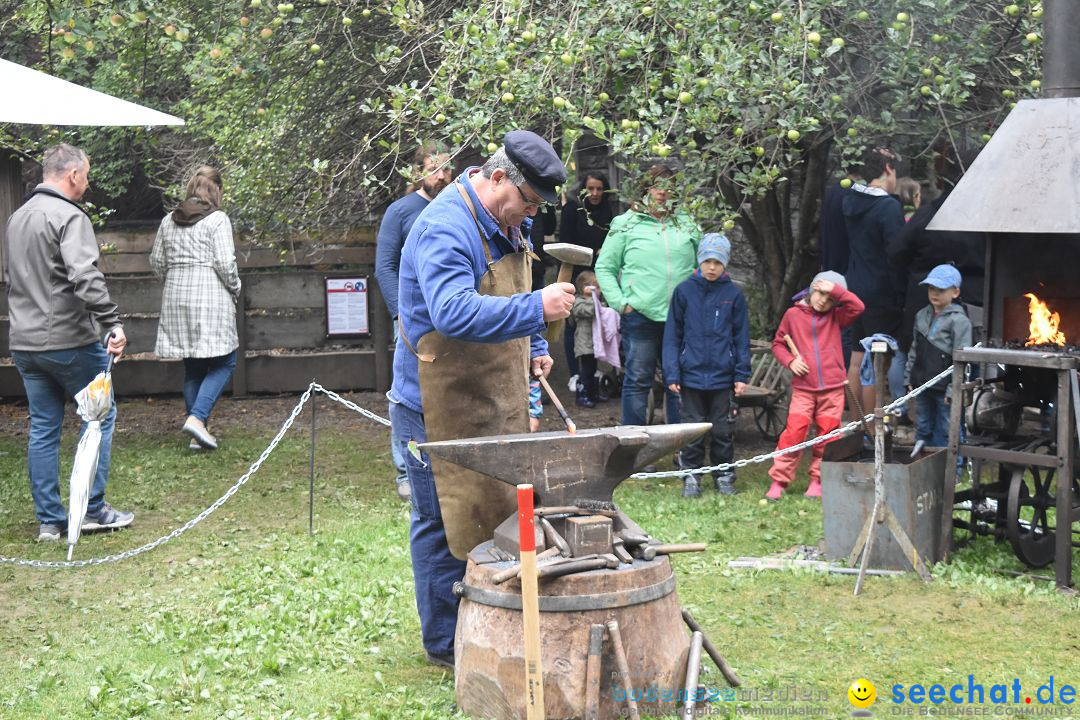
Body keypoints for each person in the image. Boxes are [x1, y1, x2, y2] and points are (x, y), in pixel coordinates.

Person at [388, 130, 572, 668]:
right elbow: (453, 313)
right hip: (433, 399)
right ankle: (447, 645)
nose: (531, 214)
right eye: (529, 202)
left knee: (492, 511)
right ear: (497, 180)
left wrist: (535, 344)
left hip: (492, 391)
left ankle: (492, 620)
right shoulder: (445, 228)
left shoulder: (508, 219)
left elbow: (516, 287)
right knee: (442, 519)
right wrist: (539, 308)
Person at [4, 144, 132, 541]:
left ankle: (49, 521)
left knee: (43, 427)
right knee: (99, 415)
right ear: (73, 174)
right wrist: (111, 322)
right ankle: (92, 509)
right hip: (67, 339)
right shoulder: (69, 216)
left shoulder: (16, 219)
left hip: (24, 342)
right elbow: (85, 276)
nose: (88, 183)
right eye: (87, 175)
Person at [374, 142, 452, 502]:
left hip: (448, 321)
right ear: (418, 171)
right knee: (406, 397)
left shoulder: (456, 210)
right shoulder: (401, 211)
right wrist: (399, 314)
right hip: (410, 322)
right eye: (434, 168)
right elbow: (385, 267)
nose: (442, 175)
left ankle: (445, 463)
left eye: (447, 168)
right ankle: (405, 471)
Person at [595, 164, 701, 427]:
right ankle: (634, 447)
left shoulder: (687, 224)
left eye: (669, 186)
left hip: (681, 318)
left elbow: (703, 266)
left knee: (679, 382)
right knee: (638, 379)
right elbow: (605, 267)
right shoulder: (626, 224)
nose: (663, 192)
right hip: (640, 315)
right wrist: (622, 304)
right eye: (656, 185)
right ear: (644, 189)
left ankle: (681, 449)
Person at [150, 165, 241, 451]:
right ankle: (198, 419)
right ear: (217, 191)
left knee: (193, 365)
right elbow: (225, 264)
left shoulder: (168, 221)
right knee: (226, 360)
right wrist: (236, 287)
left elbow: (156, 262)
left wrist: (176, 278)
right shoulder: (217, 220)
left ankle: (197, 435)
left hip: (177, 298)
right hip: (210, 297)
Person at [662, 234, 751, 498]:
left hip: (723, 377)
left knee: (723, 430)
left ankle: (724, 476)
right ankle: (691, 476)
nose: (712, 267)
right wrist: (672, 372)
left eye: (717, 262)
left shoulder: (733, 295)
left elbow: (741, 337)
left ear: (725, 264)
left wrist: (741, 373)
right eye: (707, 261)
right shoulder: (684, 292)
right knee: (693, 430)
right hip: (691, 376)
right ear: (699, 261)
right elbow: (672, 337)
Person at [765, 271, 865, 500]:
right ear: (812, 289)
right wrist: (791, 361)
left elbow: (858, 307)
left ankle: (818, 480)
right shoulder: (792, 315)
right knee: (795, 432)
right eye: (821, 293)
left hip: (832, 388)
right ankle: (779, 480)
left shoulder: (837, 316)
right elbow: (779, 344)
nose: (824, 301)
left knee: (828, 435)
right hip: (803, 389)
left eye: (831, 298)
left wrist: (836, 291)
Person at [843, 147, 907, 418]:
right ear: (889, 170)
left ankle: (856, 426)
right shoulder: (887, 207)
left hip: (855, 289)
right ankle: (872, 428)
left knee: (857, 358)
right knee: (877, 363)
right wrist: (902, 294)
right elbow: (896, 254)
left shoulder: (850, 201)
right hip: (881, 294)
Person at [904, 264, 972, 449]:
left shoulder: (960, 321)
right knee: (922, 426)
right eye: (931, 288)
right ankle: (924, 468)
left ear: (955, 292)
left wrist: (953, 388)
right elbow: (914, 349)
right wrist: (909, 377)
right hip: (922, 384)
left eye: (941, 290)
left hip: (945, 388)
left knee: (948, 428)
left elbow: (962, 360)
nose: (935, 293)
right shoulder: (921, 315)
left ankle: (953, 472)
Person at [558, 172, 614, 388]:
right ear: (583, 189)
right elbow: (566, 242)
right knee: (573, 322)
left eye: (599, 189)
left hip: (600, 275)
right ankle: (575, 372)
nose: (595, 193)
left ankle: (595, 370)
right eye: (591, 188)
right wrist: (592, 252)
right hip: (575, 273)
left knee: (598, 320)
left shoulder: (607, 211)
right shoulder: (573, 210)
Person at [571, 270, 601, 407]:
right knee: (586, 370)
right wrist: (594, 300)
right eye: (590, 285)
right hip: (584, 342)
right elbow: (588, 311)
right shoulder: (578, 302)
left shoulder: (596, 301)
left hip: (594, 342)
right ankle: (582, 394)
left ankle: (593, 393)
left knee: (593, 369)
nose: (595, 288)